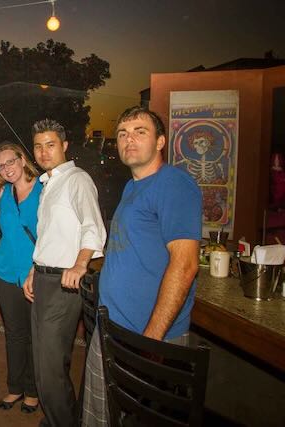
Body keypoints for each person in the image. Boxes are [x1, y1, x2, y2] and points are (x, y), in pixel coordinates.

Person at [81, 107, 201, 427]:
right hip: (115, 327)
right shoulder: (132, 186)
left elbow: (185, 265)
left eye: (140, 132)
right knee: (101, 416)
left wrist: (152, 339)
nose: (129, 139)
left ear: (160, 142)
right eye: (122, 133)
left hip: (146, 336)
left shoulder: (174, 184)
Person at [22, 119, 106, 427]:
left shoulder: (77, 179)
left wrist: (81, 264)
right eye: (38, 146)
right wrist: (34, 270)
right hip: (44, 278)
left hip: (64, 283)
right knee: (48, 362)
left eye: (51, 145)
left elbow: (93, 227)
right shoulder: (49, 184)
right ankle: (61, 419)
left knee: (49, 367)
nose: (44, 152)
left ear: (65, 146)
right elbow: (49, 237)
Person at [0, 142, 42, 413]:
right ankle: (15, 388)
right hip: (5, 271)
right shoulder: (3, 194)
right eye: (1, 166)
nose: (7, 168)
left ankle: (32, 390)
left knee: (35, 334)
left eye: (11, 161)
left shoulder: (44, 189)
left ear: (22, 160)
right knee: (14, 334)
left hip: (35, 273)